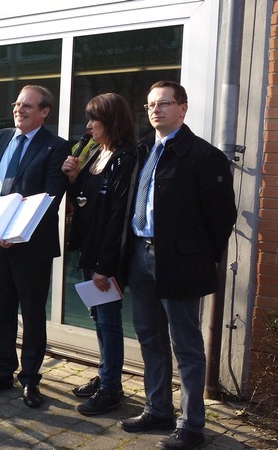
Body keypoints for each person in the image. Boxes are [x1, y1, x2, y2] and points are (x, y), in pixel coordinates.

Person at [117, 81, 236, 450]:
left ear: (183, 108)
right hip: (141, 255)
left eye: (164, 103)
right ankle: (158, 408)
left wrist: (197, 256)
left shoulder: (203, 156)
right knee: (149, 336)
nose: (156, 110)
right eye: (151, 104)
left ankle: (191, 425)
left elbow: (221, 218)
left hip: (178, 261)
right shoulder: (146, 151)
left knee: (185, 344)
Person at [0, 85, 69, 408]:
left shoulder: (56, 147)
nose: (19, 110)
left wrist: (19, 229)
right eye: (17, 104)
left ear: (44, 112)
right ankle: (2, 372)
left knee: (32, 314)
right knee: (0, 311)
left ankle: (30, 380)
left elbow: (52, 197)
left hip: (30, 246)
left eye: (27, 106)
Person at [61, 93, 137, 416]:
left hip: (106, 257)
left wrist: (104, 267)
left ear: (112, 121)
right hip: (89, 250)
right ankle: (105, 373)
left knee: (108, 321)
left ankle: (111, 389)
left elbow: (117, 216)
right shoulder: (96, 154)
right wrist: (74, 178)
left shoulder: (125, 158)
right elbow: (83, 201)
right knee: (97, 319)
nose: (88, 126)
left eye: (95, 119)